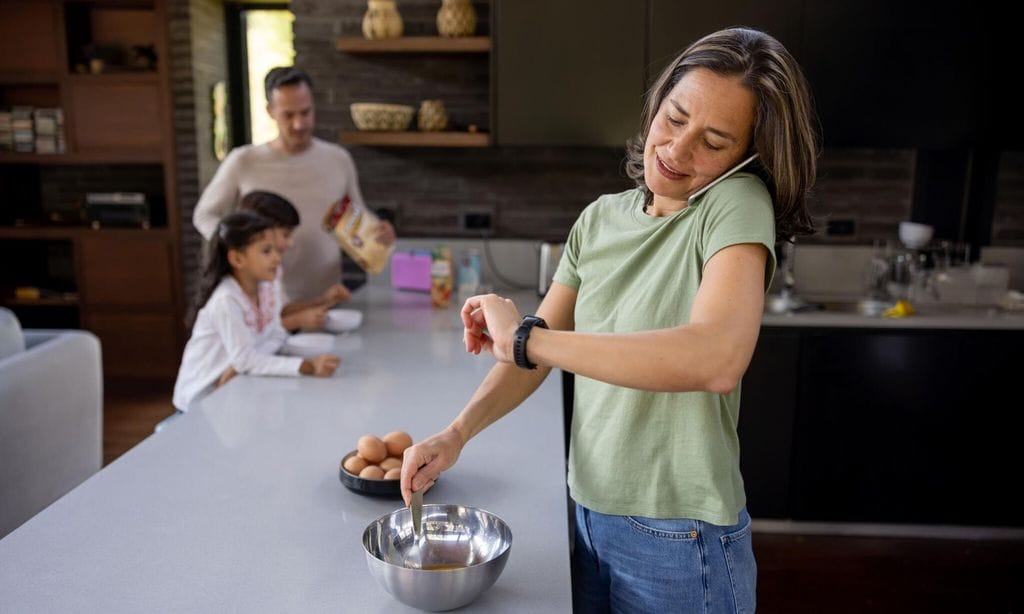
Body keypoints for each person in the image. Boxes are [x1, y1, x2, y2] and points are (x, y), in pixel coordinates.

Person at [399, 27, 818, 613]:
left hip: (679, 536)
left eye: (714, 142)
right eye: (673, 119)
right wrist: (457, 433)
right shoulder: (599, 219)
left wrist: (528, 339)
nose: (677, 150)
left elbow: (717, 357)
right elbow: (529, 358)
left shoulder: (735, 205)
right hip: (587, 514)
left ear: (747, 158)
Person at [192, 66, 396, 304]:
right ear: (270, 111)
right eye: (288, 115)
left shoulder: (338, 159)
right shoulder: (243, 161)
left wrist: (379, 233)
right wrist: (241, 244)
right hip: (264, 305)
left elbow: (357, 218)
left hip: (326, 300)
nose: (299, 124)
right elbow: (204, 215)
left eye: (305, 112)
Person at [172, 212, 339, 412]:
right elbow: (246, 360)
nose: (277, 258)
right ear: (237, 259)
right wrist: (306, 366)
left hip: (234, 391)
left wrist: (241, 365)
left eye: (276, 250)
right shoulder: (226, 300)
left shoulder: (268, 287)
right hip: (201, 401)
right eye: (266, 251)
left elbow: (275, 335)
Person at [237, 190, 350, 332]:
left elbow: (280, 311)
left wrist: (322, 301)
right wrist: (298, 320)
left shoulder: (273, 270)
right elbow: (251, 335)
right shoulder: (239, 279)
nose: (290, 243)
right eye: (285, 235)